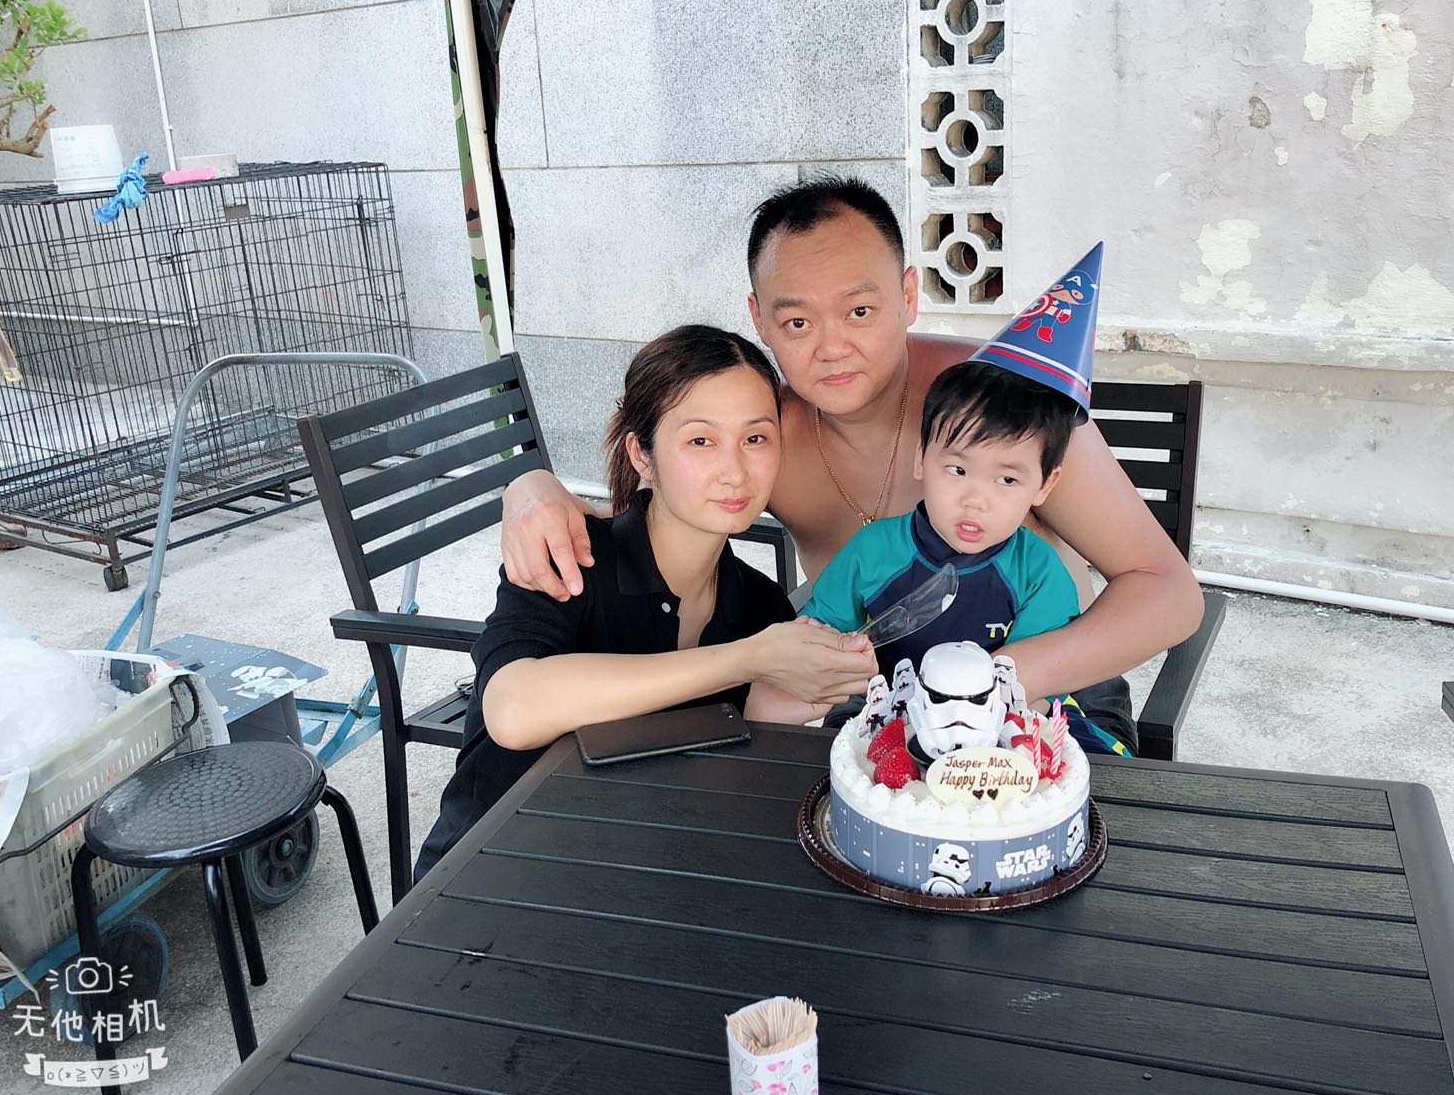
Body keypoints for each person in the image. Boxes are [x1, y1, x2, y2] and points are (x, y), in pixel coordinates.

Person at [496, 178, 1203, 751]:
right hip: (875, 701)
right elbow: (664, 506)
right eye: (798, 322)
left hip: (1048, 692)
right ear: (760, 320)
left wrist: (980, 682)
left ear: (907, 295)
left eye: (859, 311)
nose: (831, 347)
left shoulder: (1000, 406)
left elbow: (1169, 593)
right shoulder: (767, 437)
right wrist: (532, 488)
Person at [414, 325, 874, 878]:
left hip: (637, 867)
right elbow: (512, 709)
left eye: (755, 439)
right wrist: (748, 658)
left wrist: (798, 698)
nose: (735, 472)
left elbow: (728, 768)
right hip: (491, 872)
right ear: (642, 454)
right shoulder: (568, 557)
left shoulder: (759, 605)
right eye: (700, 441)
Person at [757, 357, 1130, 756]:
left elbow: (1028, 691)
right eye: (957, 470)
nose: (976, 500)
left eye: (1007, 479)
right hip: (892, 714)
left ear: (1044, 485)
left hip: (1006, 729)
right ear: (921, 458)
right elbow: (821, 634)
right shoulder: (871, 552)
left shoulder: (1039, 572)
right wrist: (822, 650)